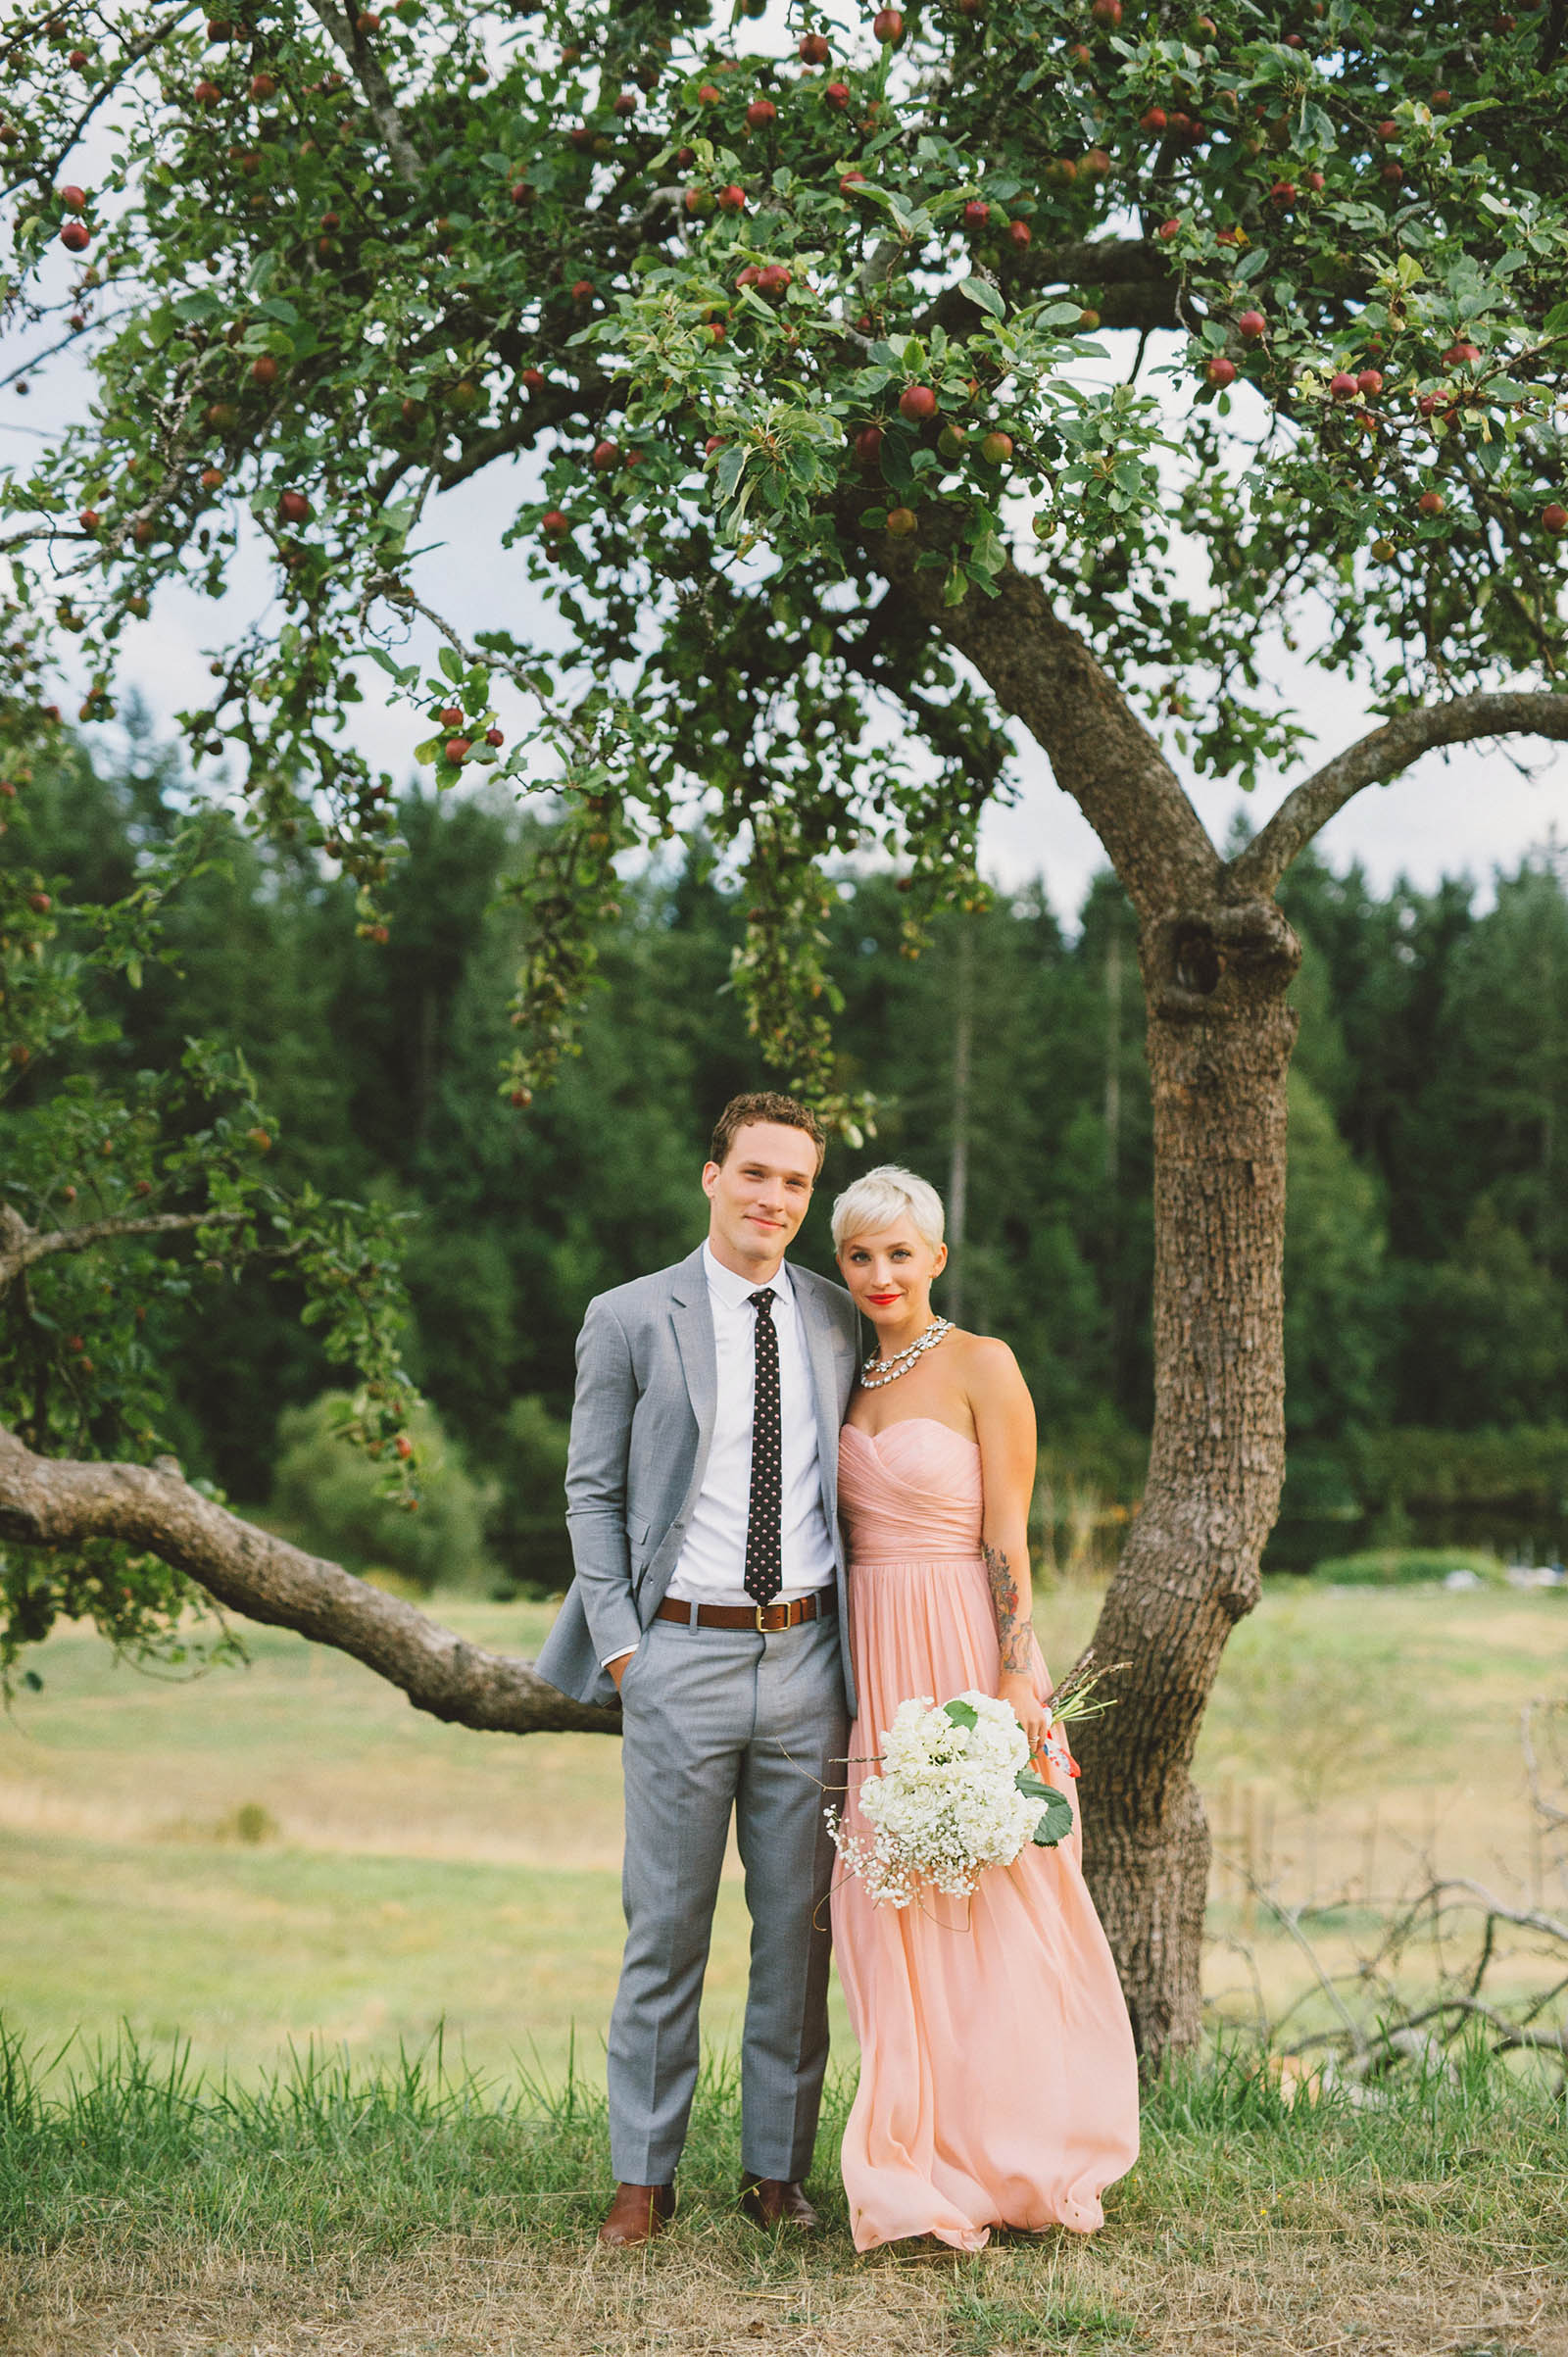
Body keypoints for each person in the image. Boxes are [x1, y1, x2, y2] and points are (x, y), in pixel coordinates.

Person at [534, 1092, 862, 2247]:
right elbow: (591, 1488)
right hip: (677, 1652)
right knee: (664, 1926)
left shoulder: (833, 1315)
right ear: (711, 1175)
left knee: (797, 1933)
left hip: (813, 1656)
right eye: (757, 1173)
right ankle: (642, 2175)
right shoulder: (629, 1316)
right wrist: (625, 1646)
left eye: (796, 1182)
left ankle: (776, 2169)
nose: (776, 1197)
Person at [828, 1163, 1140, 2252]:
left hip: (963, 1638)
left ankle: (1021, 2150)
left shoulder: (982, 1364)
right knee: (896, 1901)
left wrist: (1014, 1670)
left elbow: (1005, 1536)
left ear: (937, 1257)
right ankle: (918, 2149)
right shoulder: (844, 1374)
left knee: (1001, 1897)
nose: (879, 1273)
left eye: (899, 1252)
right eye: (859, 1254)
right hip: (870, 1654)